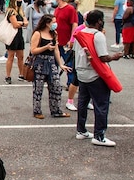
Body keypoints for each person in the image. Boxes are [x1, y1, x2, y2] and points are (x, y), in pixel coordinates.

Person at [73, 10, 123, 147]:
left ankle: (81, 130)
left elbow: (74, 52)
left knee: (83, 102)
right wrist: (115, 56)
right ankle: (99, 135)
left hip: (81, 72)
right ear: (99, 21)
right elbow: (102, 57)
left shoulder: (80, 34)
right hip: (95, 74)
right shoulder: (98, 35)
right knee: (101, 104)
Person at [30, 15, 72, 119]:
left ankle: (56, 110)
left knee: (56, 87)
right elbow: (33, 50)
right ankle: (37, 111)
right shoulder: (38, 33)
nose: (55, 24)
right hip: (40, 62)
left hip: (51, 62)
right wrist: (46, 47)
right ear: (47, 23)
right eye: (53, 22)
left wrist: (61, 64)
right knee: (38, 89)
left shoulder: (54, 34)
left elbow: (56, 49)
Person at [3, 0, 29, 84]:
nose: (20, 2)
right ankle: (8, 75)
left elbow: (25, 21)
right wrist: (22, 23)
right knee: (10, 56)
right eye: (18, 0)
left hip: (19, 35)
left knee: (20, 56)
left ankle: (21, 74)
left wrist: (21, 23)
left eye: (20, 0)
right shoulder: (11, 11)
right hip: (12, 36)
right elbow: (15, 24)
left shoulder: (21, 11)